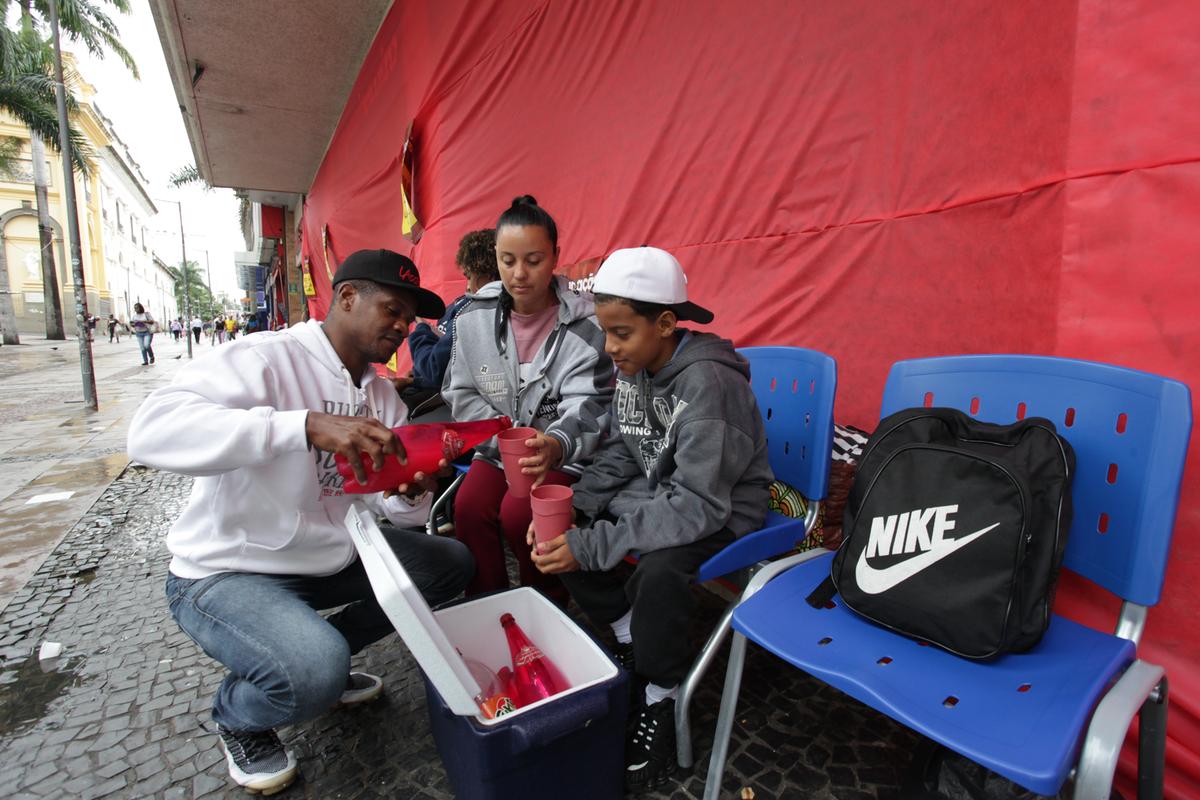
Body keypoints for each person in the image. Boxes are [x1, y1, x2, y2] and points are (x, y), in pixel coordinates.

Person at [128, 249, 474, 795]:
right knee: (313, 668)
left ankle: (315, 664)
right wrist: (303, 426)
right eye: (392, 310)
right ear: (346, 297)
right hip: (227, 572)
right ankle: (241, 714)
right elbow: (150, 431)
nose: (404, 327)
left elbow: (392, 511)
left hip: (330, 557)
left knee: (449, 562)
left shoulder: (384, 397)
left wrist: (412, 491)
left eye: (411, 318)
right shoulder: (267, 358)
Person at [529, 247, 772, 793]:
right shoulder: (639, 368)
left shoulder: (709, 384)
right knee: (562, 523)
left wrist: (592, 546)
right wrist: (578, 507)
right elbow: (624, 449)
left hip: (724, 511)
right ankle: (627, 636)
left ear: (664, 324)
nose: (609, 348)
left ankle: (663, 692)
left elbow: (702, 504)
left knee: (659, 569)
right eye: (605, 332)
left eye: (620, 333)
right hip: (665, 494)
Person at [444, 196, 612, 606]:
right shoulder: (472, 320)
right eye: (507, 260)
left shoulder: (588, 324)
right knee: (467, 507)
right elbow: (460, 392)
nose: (519, 274)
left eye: (534, 260)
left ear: (556, 256)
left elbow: (593, 404)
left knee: (522, 514)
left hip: (561, 455)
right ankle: (489, 606)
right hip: (497, 449)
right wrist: (501, 436)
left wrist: (553, 444)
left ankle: (547, 605)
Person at [407, 228, 499, 391]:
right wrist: (416, 379)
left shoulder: (472, 310)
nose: (468, 287)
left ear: (489, 275)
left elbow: (435, 370)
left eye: (470, 276)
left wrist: (421, 329)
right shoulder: (463, 305)